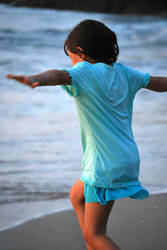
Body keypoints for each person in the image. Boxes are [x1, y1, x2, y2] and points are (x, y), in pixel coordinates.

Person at [6, 19, 167, 250]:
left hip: (102, 165)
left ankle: (93, 244)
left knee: (95, 234)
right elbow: (159, 82)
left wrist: (34, 79)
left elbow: (59, 76)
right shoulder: (125, 73)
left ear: (80, 52)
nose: (70, 62)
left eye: (70, 55)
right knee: (76, 196)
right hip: (127, 159)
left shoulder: (83, 73)